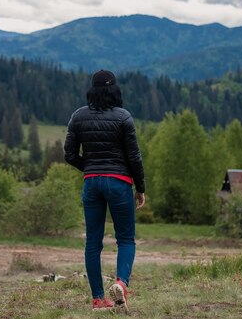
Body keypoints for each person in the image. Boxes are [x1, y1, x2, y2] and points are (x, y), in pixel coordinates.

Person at [64, 69, 146, 312]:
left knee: (93, 242)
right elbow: (135, 157)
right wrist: (140, 188)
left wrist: (90, 168)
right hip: (119, 182)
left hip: (92, 183)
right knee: (125, 238)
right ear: (114, 90)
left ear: (92, 90)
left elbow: (69, 155)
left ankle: (98, 299)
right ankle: (120, 283)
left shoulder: (78, 116)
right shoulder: (124, 117)